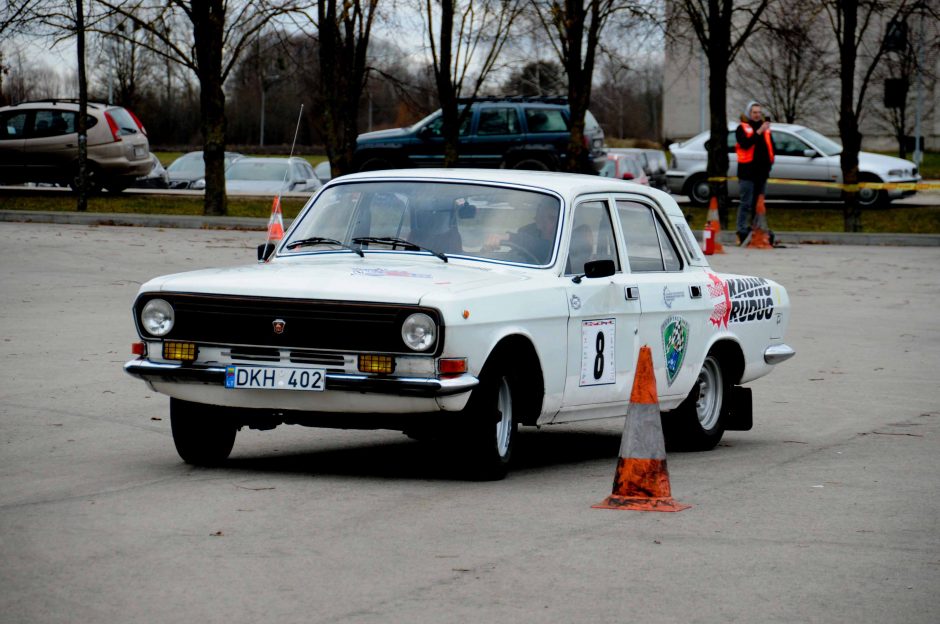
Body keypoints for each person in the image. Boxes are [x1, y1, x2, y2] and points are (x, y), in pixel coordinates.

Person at [735, 100, 775, 245]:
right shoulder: (742, 128)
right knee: (745, 203)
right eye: (754, 112)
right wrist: (759, 131)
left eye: (759, 112)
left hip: (762, 174)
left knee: (759, 204)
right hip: (747, 173)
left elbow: (771, 149)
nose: (757, 115)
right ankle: (741, 230)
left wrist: (769, 166)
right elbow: (745, 144)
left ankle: (757, 229)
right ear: (749, 114)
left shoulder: (766, 130)